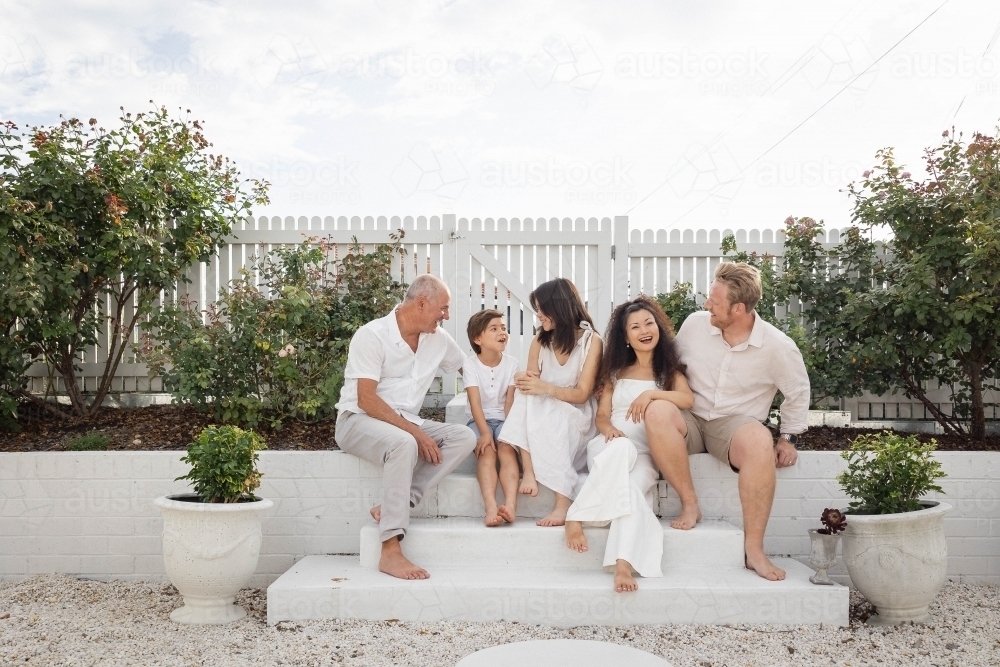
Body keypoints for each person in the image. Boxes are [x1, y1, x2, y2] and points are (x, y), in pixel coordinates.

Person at [658, 261, 809, 581]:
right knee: (657, 411)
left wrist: (788, 437)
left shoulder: (778, 347)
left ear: (738, 308)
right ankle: (690, 504)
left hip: (735, 424)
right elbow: (670, 366)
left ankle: (754, 550)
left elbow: (797, 392)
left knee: (759, 442)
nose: (706, 305)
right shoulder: (695, 324)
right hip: (691, 415)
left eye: (714, 301)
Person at [335, 274, 476, 580]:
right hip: (357, 420)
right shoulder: (372, 335)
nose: (447, 316)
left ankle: (393, 505)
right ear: (422, 303)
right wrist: (417, 433)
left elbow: (470, 367)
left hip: (404, 422)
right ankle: (390, 549)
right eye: (443, 308)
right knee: (405, 443)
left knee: (463, 436)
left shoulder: (437, 338)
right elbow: (366, 399)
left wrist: (508, 386)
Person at [565, 296, 694, 592]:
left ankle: (622, 562)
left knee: (634, 493)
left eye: (649, 323)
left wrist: (651, 395)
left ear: (658, 327)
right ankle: (578, 518)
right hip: (610, 446)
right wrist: (609, 429)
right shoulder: (616, 373)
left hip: (647, 453)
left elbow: (687, 400)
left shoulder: (669, 372)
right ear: (625, 337)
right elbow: (602, 416)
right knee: (622, 449)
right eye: (635, 327)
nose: (644, 330)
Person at [496, 278, 603, 527]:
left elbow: (582, 394)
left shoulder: (591, 341)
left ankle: (563, 500)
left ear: (559, 308)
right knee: (524, 395)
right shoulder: (540, 341)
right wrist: (524, 379)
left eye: (542, 310)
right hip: (544, 406)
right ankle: (530, 472)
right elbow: (532, 383)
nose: (539, 316)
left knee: (550, 413)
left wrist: (544, 387)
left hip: (577, 413)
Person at [463, 309, 520, 527]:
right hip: (479, 421)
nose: (502, 333)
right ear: (478, 339)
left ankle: (510, 505)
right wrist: (485, 433)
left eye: (504, 328)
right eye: (494, 329)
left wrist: (510, 432)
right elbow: (475, 402)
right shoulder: (470, 365)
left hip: (505, 419)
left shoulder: (512, 363)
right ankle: (490, 506)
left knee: (506, 449)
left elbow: (509, 402)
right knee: (486, 451)